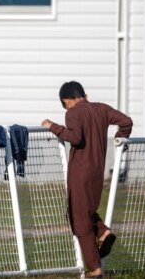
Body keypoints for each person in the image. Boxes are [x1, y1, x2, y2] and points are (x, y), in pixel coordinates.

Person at [41, 81, 132, 278]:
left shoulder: (72, 113)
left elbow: (75, 138)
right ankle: (102, 232)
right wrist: (120, 139)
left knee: (80, 221)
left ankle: (95, 269)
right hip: (97, 172)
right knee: (86, 212)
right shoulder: (102, 109)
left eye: (65, 105)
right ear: (84, 95)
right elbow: (126, 121)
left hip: (80, 173)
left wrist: (52, 126)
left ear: (67, 101)